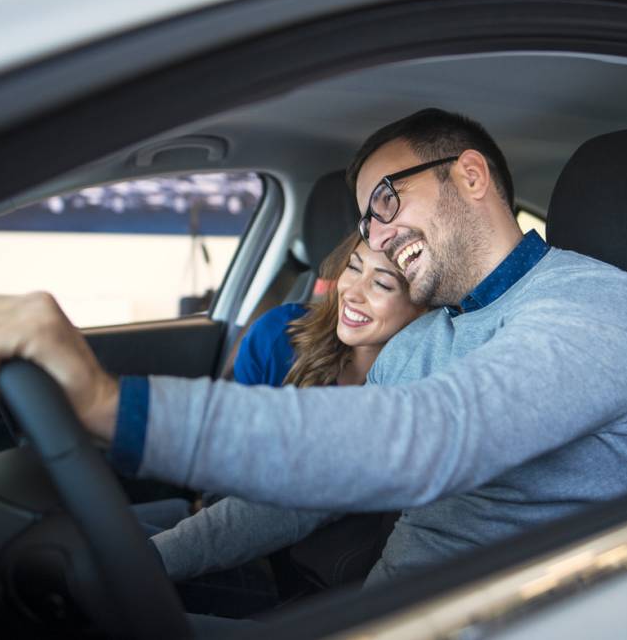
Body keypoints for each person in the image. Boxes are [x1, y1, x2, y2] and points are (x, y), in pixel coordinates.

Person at [0, 108, 627, 590]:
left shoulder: (596, 307)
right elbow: (309, 494)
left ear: (469, 175)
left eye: (387, 201)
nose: (376, 236)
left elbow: (427, 438)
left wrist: (111, 404)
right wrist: (151, 564)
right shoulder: (427, 335)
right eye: (366, 222)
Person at [138, 230, 424, 584]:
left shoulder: (415, 394)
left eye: (381, 284)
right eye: (353, 268)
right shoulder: (279, 334)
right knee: (93, 533)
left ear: (422, 304)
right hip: (230, 517)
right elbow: (228, 453)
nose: (352, 291)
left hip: (305, 571)